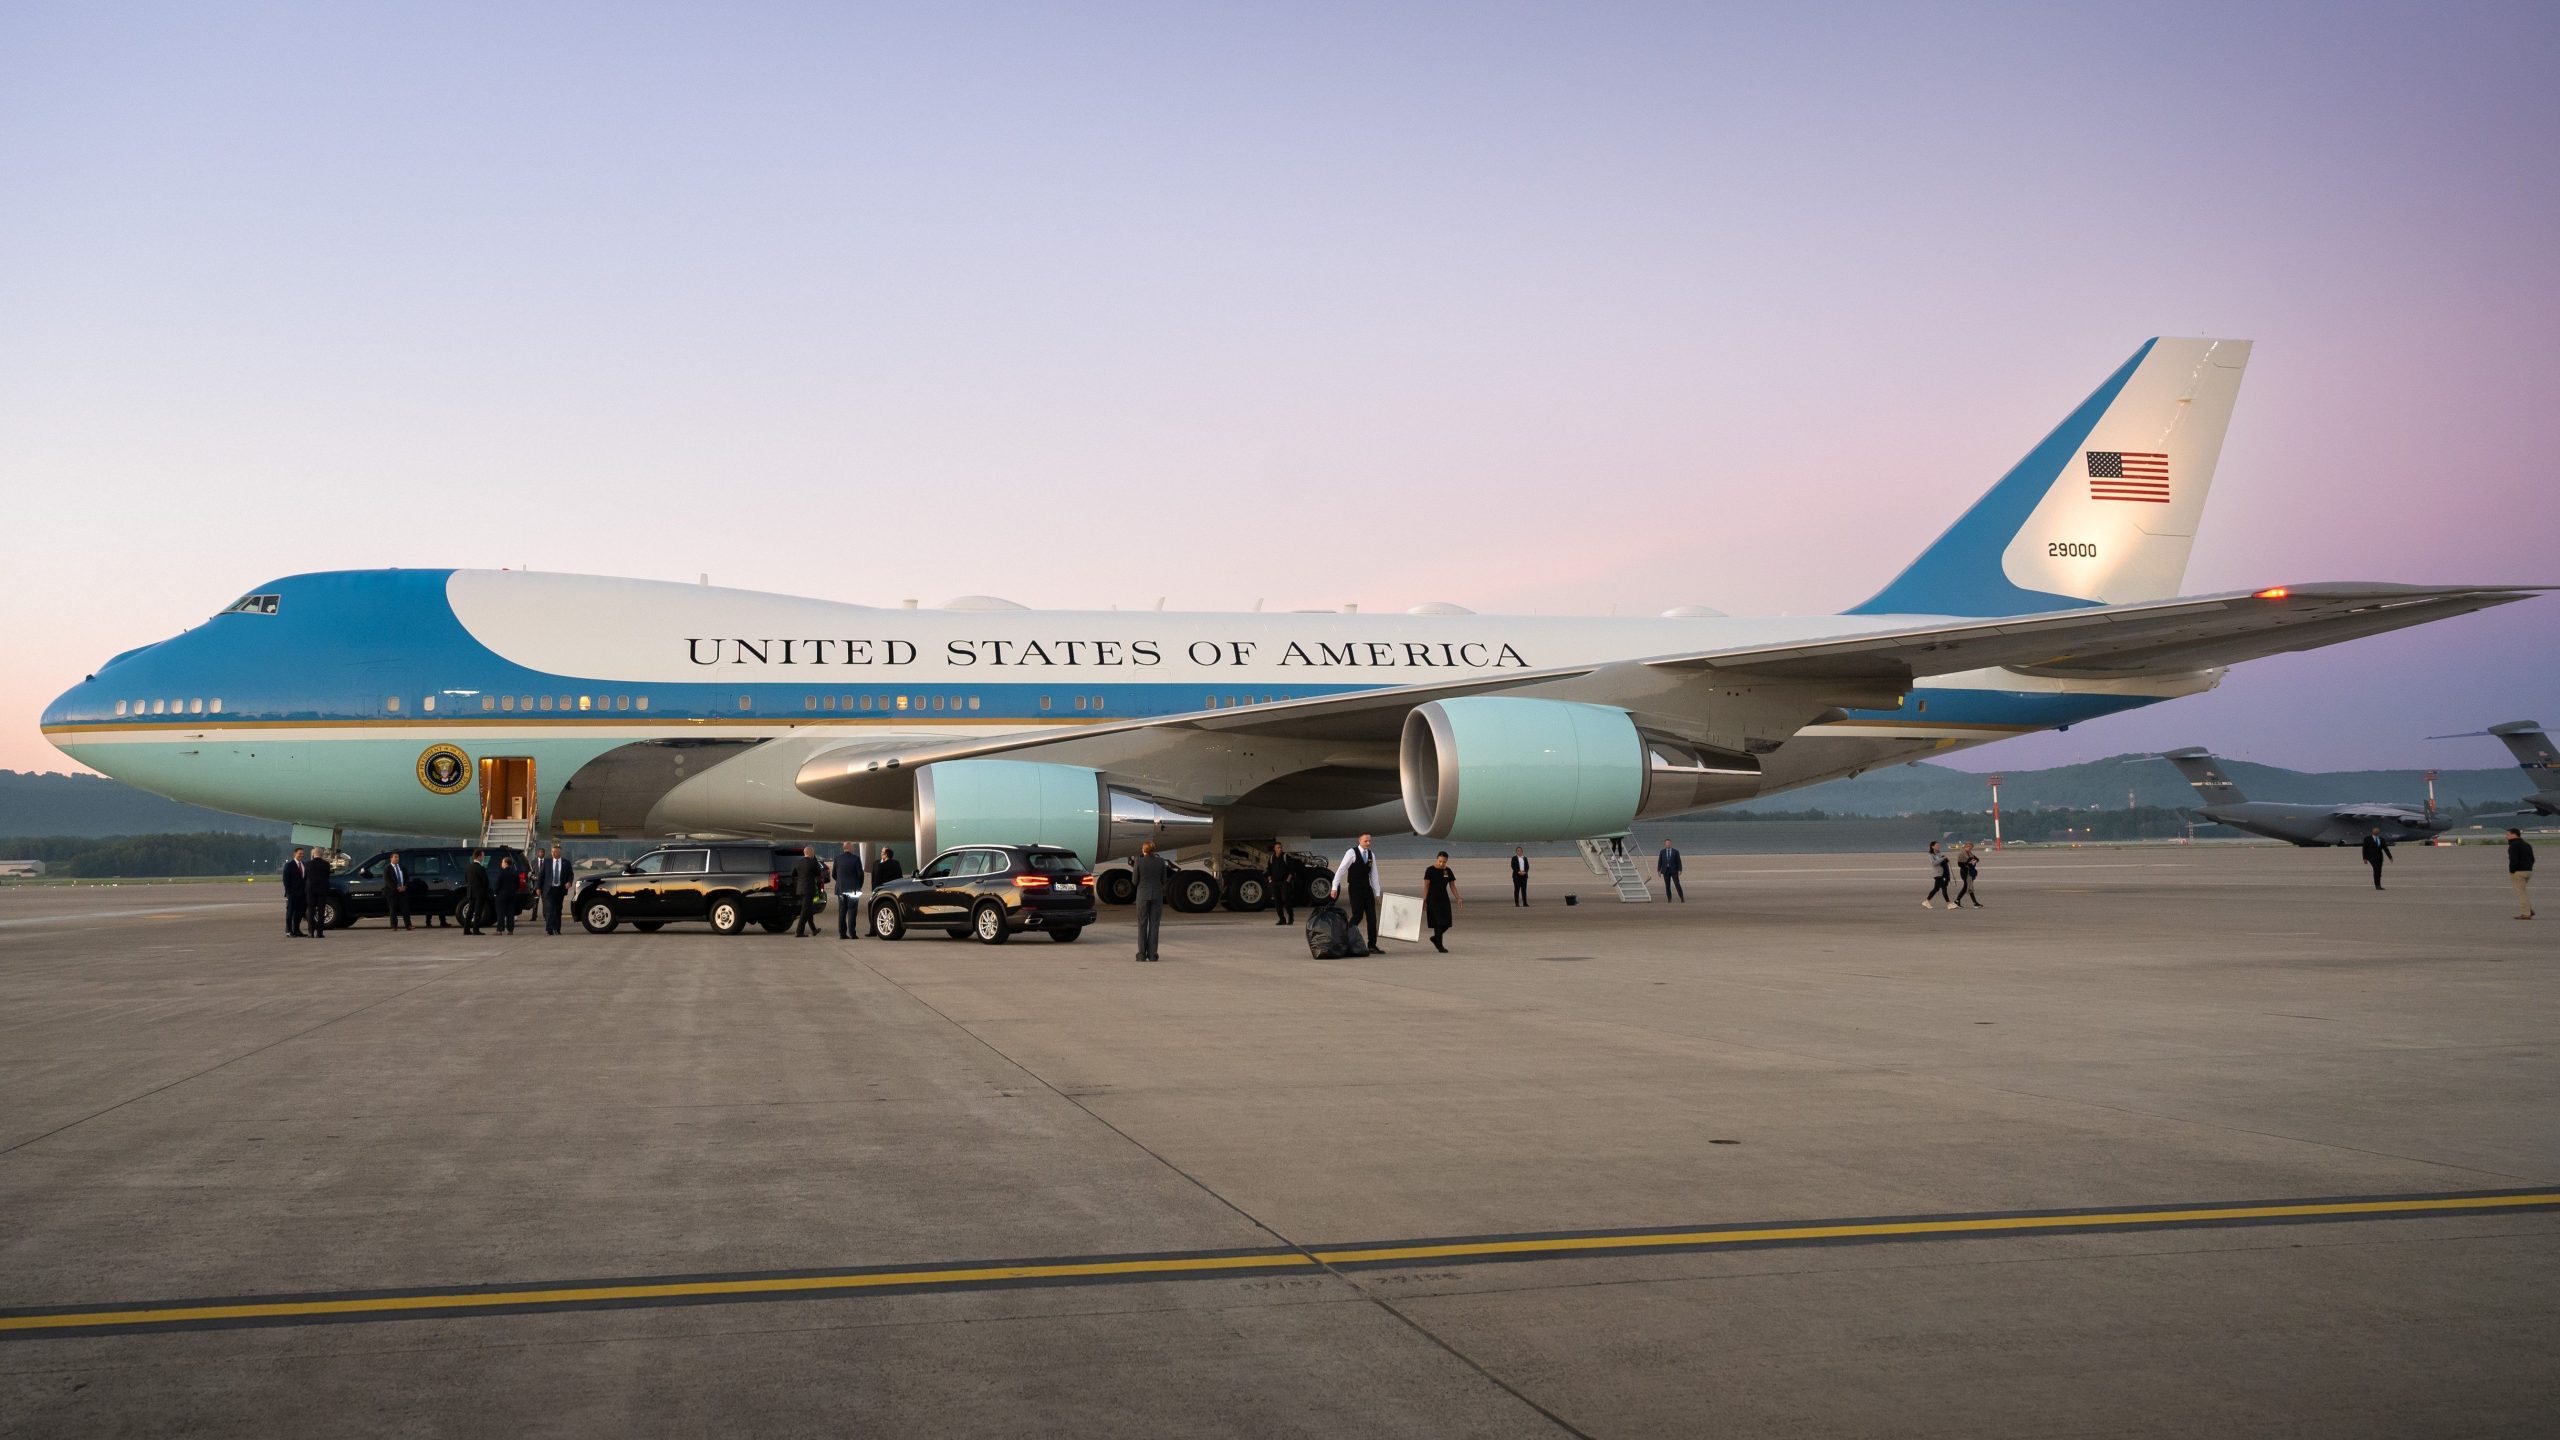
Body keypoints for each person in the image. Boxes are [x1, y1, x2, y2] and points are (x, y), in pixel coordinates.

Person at [1336, 834, 1382, 951]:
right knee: (1357, 915)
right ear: (1360, 841)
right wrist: (1334, 887)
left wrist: (1377, 893)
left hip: (1367, 889)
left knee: (1372, 917)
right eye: (1366, 841)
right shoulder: (1351, 853)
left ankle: (1372, 945)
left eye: (1370, 841)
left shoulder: (1371, 855)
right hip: (1355, 889)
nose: (1368, 843)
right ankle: (1345, 939)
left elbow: (1374, 874)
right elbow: (1341, 869)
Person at [1130, 841, 1175, 962]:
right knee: (1154, 925)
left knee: (1142, 924)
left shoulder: (1139, 861)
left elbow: (1134, 880)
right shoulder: (1161, 862)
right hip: (1156, 894)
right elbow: (1164, 880)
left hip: (1143, 895)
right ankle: (1152, 954)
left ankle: (1141, 954)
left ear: (1144, 850)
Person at [1422, 852, 1459, 952]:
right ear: (1436, 859)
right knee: (1438, 923)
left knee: (1446, 923)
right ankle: (1440, 946)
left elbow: (1452, 885)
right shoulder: (1430, 870)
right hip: (1433, 899)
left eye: (1444, 862)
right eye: (1440, 861)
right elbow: (1426, 886)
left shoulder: (1447, 871)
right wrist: (1424, 899)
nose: (1442, 863)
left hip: (1444, 899)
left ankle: (1435, 939)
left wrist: (1458, 898)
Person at [868, 845, 903, 935]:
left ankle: (877, 929)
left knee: (876, 910)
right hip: (894, 890)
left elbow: (877, 880)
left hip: (883, 891)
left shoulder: (881, 865)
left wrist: (875, 890)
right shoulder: (896, 863)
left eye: (883, 853)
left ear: (886, 855)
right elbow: (900, 877)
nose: (881, 854)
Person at [538, 845, 572, 935]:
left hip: (560, 890)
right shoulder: (547, 862)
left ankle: (557, 928)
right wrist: (538, 887)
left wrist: (569, 882)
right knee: (550, 909)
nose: (553, 853)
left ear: (559, 852)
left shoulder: (566, 862)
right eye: (552, 851)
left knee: (558, 909)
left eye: (555, 852)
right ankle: (549, 928)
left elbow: (570, 874)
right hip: (549, 890)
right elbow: (541, 875)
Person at [792, 845, 825, 937]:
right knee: (805, 910)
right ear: (811, 853)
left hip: (800, 889)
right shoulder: (813, 863)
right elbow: (818, 873)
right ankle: (799, 932)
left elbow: (794, 874)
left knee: (808, 909)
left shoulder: (798, 862)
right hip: (809, 889)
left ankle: (813, 929)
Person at [833, 844, 862, 938]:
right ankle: (852, 933)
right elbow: (860, 874)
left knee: (842, 911)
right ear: (851, 848)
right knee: (852, 910)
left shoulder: (837, 858)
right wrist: (859, 885)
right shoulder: (856, 859)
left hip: (841, 888)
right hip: (853, 889)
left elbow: (834, 874)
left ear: (844, 848)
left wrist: (840, 882)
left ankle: (842, 933)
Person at [302, 850, 332, 938]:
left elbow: (306, 876)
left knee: (311, 911)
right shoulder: (326, 864)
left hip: (311, 890)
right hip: (322, 890)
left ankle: (311, 932)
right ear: (322, 855)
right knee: (321, 911)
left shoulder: (308, 864)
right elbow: (327, 876)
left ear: (313, 855)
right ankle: (320, 933)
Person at [461, 851, 492, 935]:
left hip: (471, 892)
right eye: (483, 856)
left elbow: (466, 879)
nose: (483, 858)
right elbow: (485, 881)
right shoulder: (481, 868)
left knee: (470, 911)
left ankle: (466, 929)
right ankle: (476, 929)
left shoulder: (468, 867)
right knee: (478, 912)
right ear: (479, 857)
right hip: (480, 893)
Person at [1267, 842, 1297, 926]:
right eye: (1278, 848)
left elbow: (1292, 869)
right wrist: (1270, 878)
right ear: (1274, 849)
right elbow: (1269, 869)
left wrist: (1288, 880)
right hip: (1275, 882)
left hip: (1284, 882)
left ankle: (1291, 917)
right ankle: (1281, 919)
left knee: (1285, 899)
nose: (1280, 849)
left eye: (1281, 847)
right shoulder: (1271, 858)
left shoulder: (1285, 857)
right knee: (1277, 901)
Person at [2508, 828, 2536, 919]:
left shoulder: (2514, 845)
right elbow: (2532, 859)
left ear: (2514, 835)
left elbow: (2514, 860)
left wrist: (2512, 870)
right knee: (2522, 891)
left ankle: (2526, 914)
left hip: (2519, 872)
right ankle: (2529, 910)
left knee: (2521, 893)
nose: (2506, 836)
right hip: (2528, 871)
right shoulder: (2527, 844)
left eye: (2508, 834)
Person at [491, 855, 522, 934]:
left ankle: (500, 930)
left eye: (502, 862)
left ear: (505, 863)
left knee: (500, 913)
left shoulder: (501, 872)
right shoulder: (515, 873)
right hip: (512, 895)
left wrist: (495, 893)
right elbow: (518, 885)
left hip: (501, 895)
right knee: (510, 913)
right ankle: (510, 930)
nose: (501, 863)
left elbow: (497, 884)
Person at [283, 847, 308, 938]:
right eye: (299, 853)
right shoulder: (289, 865)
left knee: (299, 913)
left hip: (302, 894)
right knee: (290, 912)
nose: (301, 855)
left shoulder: (304, 864)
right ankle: (289, 931)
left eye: (302, 853)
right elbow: (285, 880)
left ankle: (296, 930)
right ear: (295, 854)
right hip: (292, 894)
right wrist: (289, 892)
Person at [384, 852, 413, 930]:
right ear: (391, 858)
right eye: (395, 857)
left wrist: (405, 886)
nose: (397, 858)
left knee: (405, 908)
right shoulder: (387, 868)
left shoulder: (402, 867)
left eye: (398, 857)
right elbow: (388, 881)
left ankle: (408, 925)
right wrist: (396, 888)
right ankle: (394, 926)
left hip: (403, 891)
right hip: (392, 892)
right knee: (393, 909)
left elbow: (407, 878)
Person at [1922, 841, 1952, 911]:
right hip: (1937, 874)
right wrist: (1942, 859)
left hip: (1943, 873)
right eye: (1937, 845)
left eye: (1939, 845)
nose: (1938, 846)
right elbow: (1934, 863)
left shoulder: (1939, 853)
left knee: (1936, 888)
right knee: (1944, 888)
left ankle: (1927, 901)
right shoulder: (1930, 855)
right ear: (1932, 846)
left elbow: (1942, 862)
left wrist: (1946, 860)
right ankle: (1949, 903)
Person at [1954, 843, 1984, 908]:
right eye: (1968, 847)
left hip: (1970, 871)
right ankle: (1974, 903)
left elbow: (1977, 859)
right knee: (1968, 886)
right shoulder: (1961, 853)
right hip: (1965, 872)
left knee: (1968, 886)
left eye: (1971, 847)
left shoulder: (1970, 853)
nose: (1969, 848)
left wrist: (1974, 861)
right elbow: (1959, 864)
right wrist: (1968, 863)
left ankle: (1957, 901)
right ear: (1965, 846)